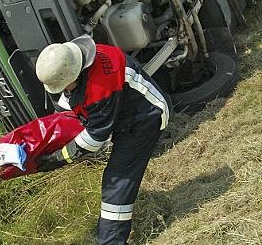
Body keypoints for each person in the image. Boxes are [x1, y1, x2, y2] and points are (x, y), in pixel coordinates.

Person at [35, 34, 169, 244]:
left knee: (117, 181)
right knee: (116, 178)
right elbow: (68, 103)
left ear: (73, 76)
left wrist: (56, 159)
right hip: (126, 113)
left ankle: (111, 241)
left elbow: (94, 139)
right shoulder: (80, 57)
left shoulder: (100, 88)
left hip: (145, 118)